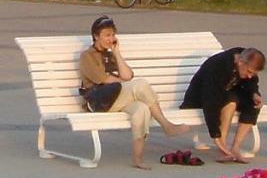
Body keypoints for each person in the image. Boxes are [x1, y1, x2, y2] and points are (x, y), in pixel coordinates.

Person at [79, 15, 192, 169]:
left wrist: (117, 53)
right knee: (141, 84)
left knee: (142, 109)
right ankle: (166, 125)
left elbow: (127, 75)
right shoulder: (87, 56)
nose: (110, 38)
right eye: (106, 35)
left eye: (112, 35)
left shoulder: (111, 55)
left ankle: (138, 159)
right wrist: (127, 83)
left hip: (117, 99)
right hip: (100, 102)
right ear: (96, 36)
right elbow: (105, 80)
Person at [180, 46, 267, 164]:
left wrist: (254, 94)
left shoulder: (244, 60)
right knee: (231, 100)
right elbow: (210, 102)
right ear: (240, 62)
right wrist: (215, 134)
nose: (250, 76)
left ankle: (235, 147)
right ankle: (223, 147)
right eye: (249, 72)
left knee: (253, 103)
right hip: (199, 99)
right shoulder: (218, 67)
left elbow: (251, 82)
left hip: (225, 92)